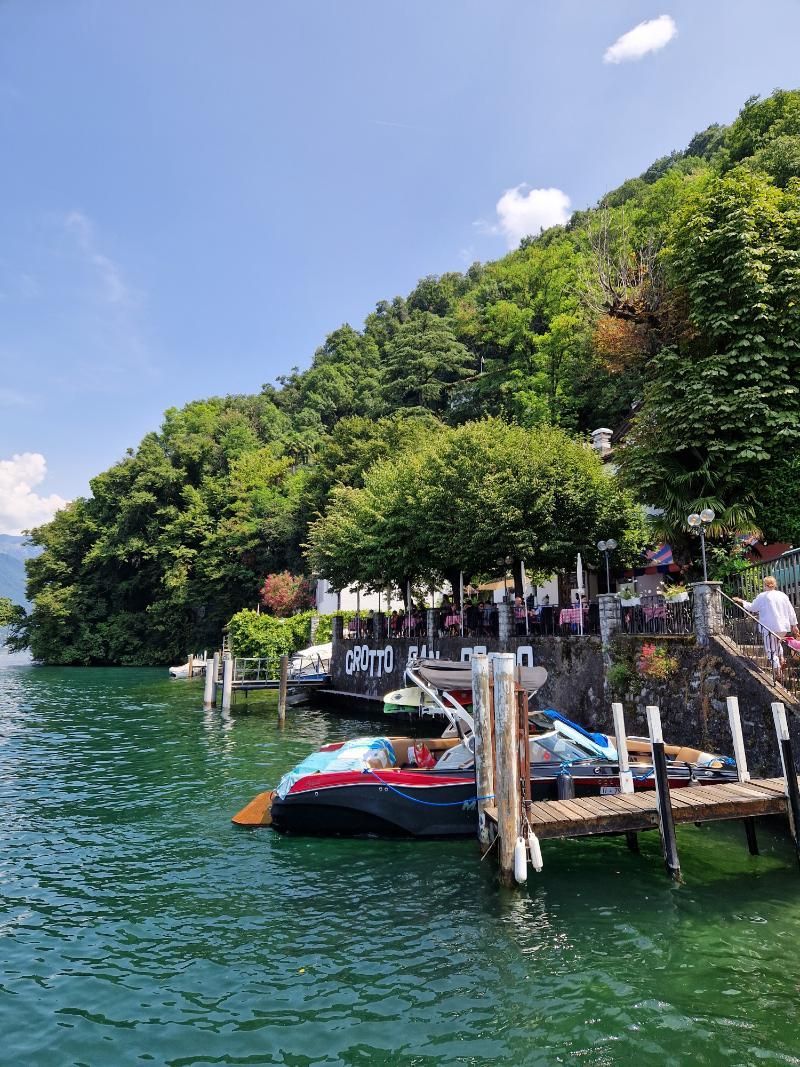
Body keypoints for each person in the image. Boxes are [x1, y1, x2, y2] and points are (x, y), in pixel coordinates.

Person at [733, 577, 800, 678]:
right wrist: (794, 625)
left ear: (765, 585)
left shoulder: (762, 596)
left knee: (770, 650)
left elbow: (752, 608)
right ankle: (781, 658)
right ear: (775, 584)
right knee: (777, 643)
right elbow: (790, 611)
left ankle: (778, 673)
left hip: (769, 627)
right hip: (783, 627)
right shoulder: (783, 595)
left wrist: (741, 601)